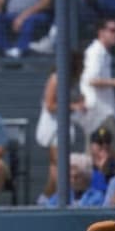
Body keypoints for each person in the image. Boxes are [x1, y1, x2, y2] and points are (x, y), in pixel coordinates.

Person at [35, 52, 85, 205]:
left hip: (63, 129)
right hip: (54, 129)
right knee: (59, 166)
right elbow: (50, 105)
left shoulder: (72, 81)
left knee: (57, 169)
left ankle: (45, 200)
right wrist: (74, 106)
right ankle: (50, 201)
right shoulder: (56, 78)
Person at [79, 17, 115, 151]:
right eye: (112, 30)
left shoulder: (103, 53)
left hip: (103, 111)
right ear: (101, 32)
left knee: (107, 154)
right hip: (98, 112)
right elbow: (92, 80)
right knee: (100, 154)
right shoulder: (96, 52)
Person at [89, 127, 115, 193]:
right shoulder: (86, 166)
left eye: (107, 142)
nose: (104, 146)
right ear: (91, 146)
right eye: (99, 142)